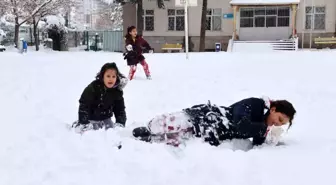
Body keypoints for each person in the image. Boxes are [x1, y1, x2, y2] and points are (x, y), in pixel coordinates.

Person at [132, 96, 296, 147]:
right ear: (273, 109)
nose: (277, 124)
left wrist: (272, 138)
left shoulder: (263, 127)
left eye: (282, 124)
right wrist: (262, 128)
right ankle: (149, 129)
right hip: (206, 117)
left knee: (174, 141)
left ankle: (150, 141)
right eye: (279, 119)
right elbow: (241, 122)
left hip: (211, 135)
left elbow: (258, 144)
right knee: (168, 123)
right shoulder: (255, 104)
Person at [72, 62, 128, 134]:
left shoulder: (117, 91)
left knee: (112, 133)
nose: (111, 79)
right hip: (90, 119)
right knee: (90, 135)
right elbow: (84, 104)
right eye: (108, 76)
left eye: (113, 76)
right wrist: (84, 122)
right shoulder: (94, 88)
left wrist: (120, 123)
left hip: (106, 119)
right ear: (102, 76)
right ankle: (78, 124)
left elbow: (120, 109)